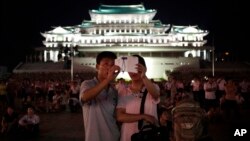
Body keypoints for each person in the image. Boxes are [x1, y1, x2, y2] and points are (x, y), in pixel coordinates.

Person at [116, 55, 160, 141]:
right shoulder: (124, 91)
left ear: (144, 68)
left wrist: (143, 76)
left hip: (150, 135)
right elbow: (120, 116)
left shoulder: (152, 87)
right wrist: (143, 116)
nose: (133, 72)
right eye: (130, 68)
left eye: (137, 67)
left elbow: (156, 95)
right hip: (128, 135)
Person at [79, 51, 120, 141]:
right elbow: (85, 97)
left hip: (113, 136)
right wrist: (109, 79)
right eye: (106, 64)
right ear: (97, 67)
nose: (109, 67)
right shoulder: (87, 84)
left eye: (112, 64)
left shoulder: (114, 91)